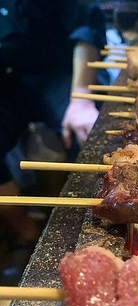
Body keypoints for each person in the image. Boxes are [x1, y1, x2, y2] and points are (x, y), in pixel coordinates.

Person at [0, 1, 107, 284]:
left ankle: (93, 234)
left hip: (65, 72)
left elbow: (86, 22)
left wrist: (81, 97)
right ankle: (27, 236)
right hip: (9, 79)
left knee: (90, 133)